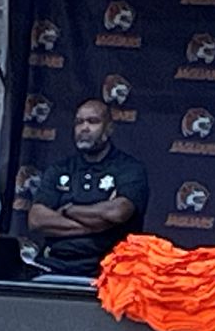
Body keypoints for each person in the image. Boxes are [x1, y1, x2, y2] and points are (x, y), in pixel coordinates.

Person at [28, 98, 149, 278]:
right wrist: (99, 226)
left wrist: (69, 210)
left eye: (93, 122)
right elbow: (36, 219)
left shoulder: (129, 169)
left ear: (109, 129)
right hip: (55, 266)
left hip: (108, 272)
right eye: (79, 122)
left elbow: (118, 212)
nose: (84, 128)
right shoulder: (60, 169)